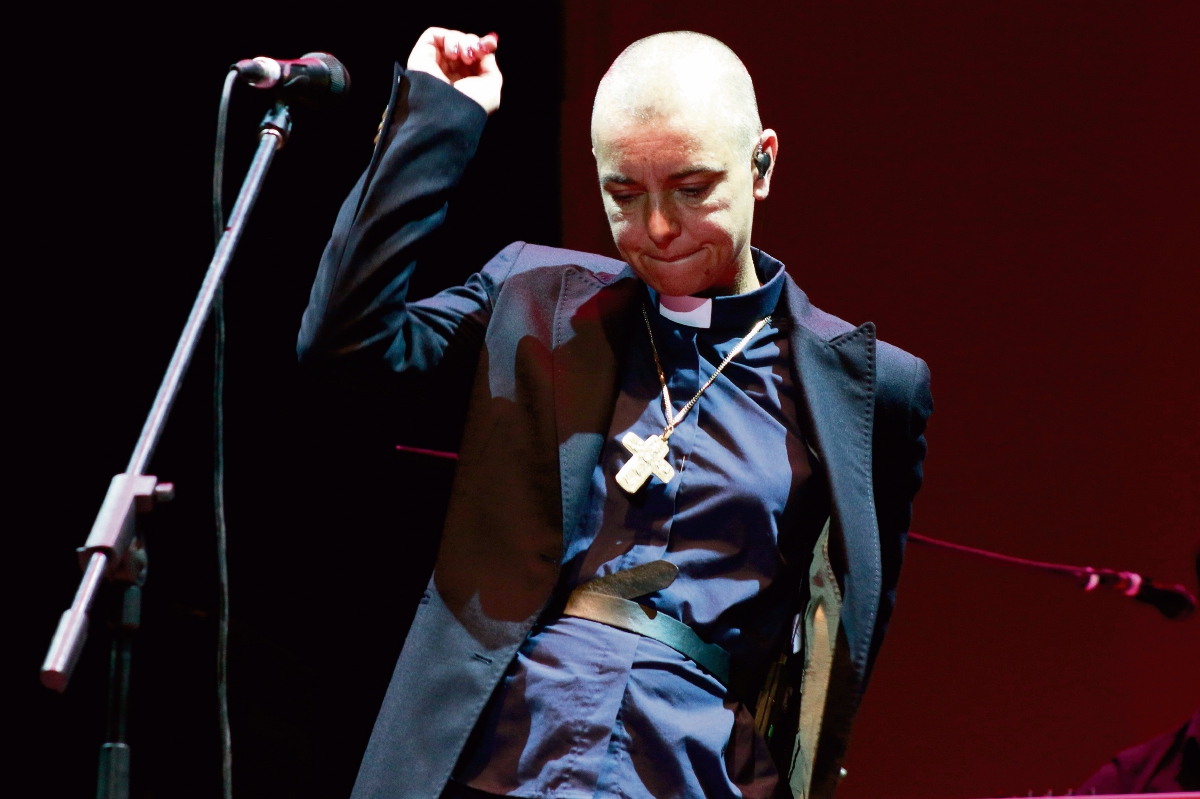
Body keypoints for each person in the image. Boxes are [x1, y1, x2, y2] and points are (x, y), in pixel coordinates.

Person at [298, 26, 932, 799]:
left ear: (762, 163)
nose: (659, 228)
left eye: (693, 190)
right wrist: (435, 121)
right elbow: (346, 341)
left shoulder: (868, 388)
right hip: (502, 751)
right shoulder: (536, 298)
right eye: (623, 195)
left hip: (696, 767)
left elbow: (846, 640)